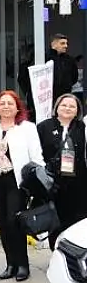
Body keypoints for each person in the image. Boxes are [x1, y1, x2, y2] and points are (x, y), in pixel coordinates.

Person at [0, 90, 44, 282]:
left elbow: (37, 157)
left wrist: (38, 180)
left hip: (18, 183)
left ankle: (22, 264)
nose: (6, 106)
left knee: (14, 222)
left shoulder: (27, 128)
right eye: (2, 103)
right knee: (2, 223)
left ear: (17, 107)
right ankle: (10, 264)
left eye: (10, 103)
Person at [38, 94, 87, 249]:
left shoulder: (82, 128)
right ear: (57, 107)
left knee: (77, 220)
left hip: (78, 183)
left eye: (72, 106)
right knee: (55, 220)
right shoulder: (44, 127)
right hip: (53, 182)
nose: (67, 108)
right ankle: (56, 254)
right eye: (64, 105)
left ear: (77, 110)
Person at [49, 34, 80, 100]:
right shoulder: (45, 58)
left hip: (65, 96)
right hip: (49, 97)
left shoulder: (70, 60)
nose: (66, 46)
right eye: (62, 43)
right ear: (53, 44)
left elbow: (74, 77)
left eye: (66, 43)